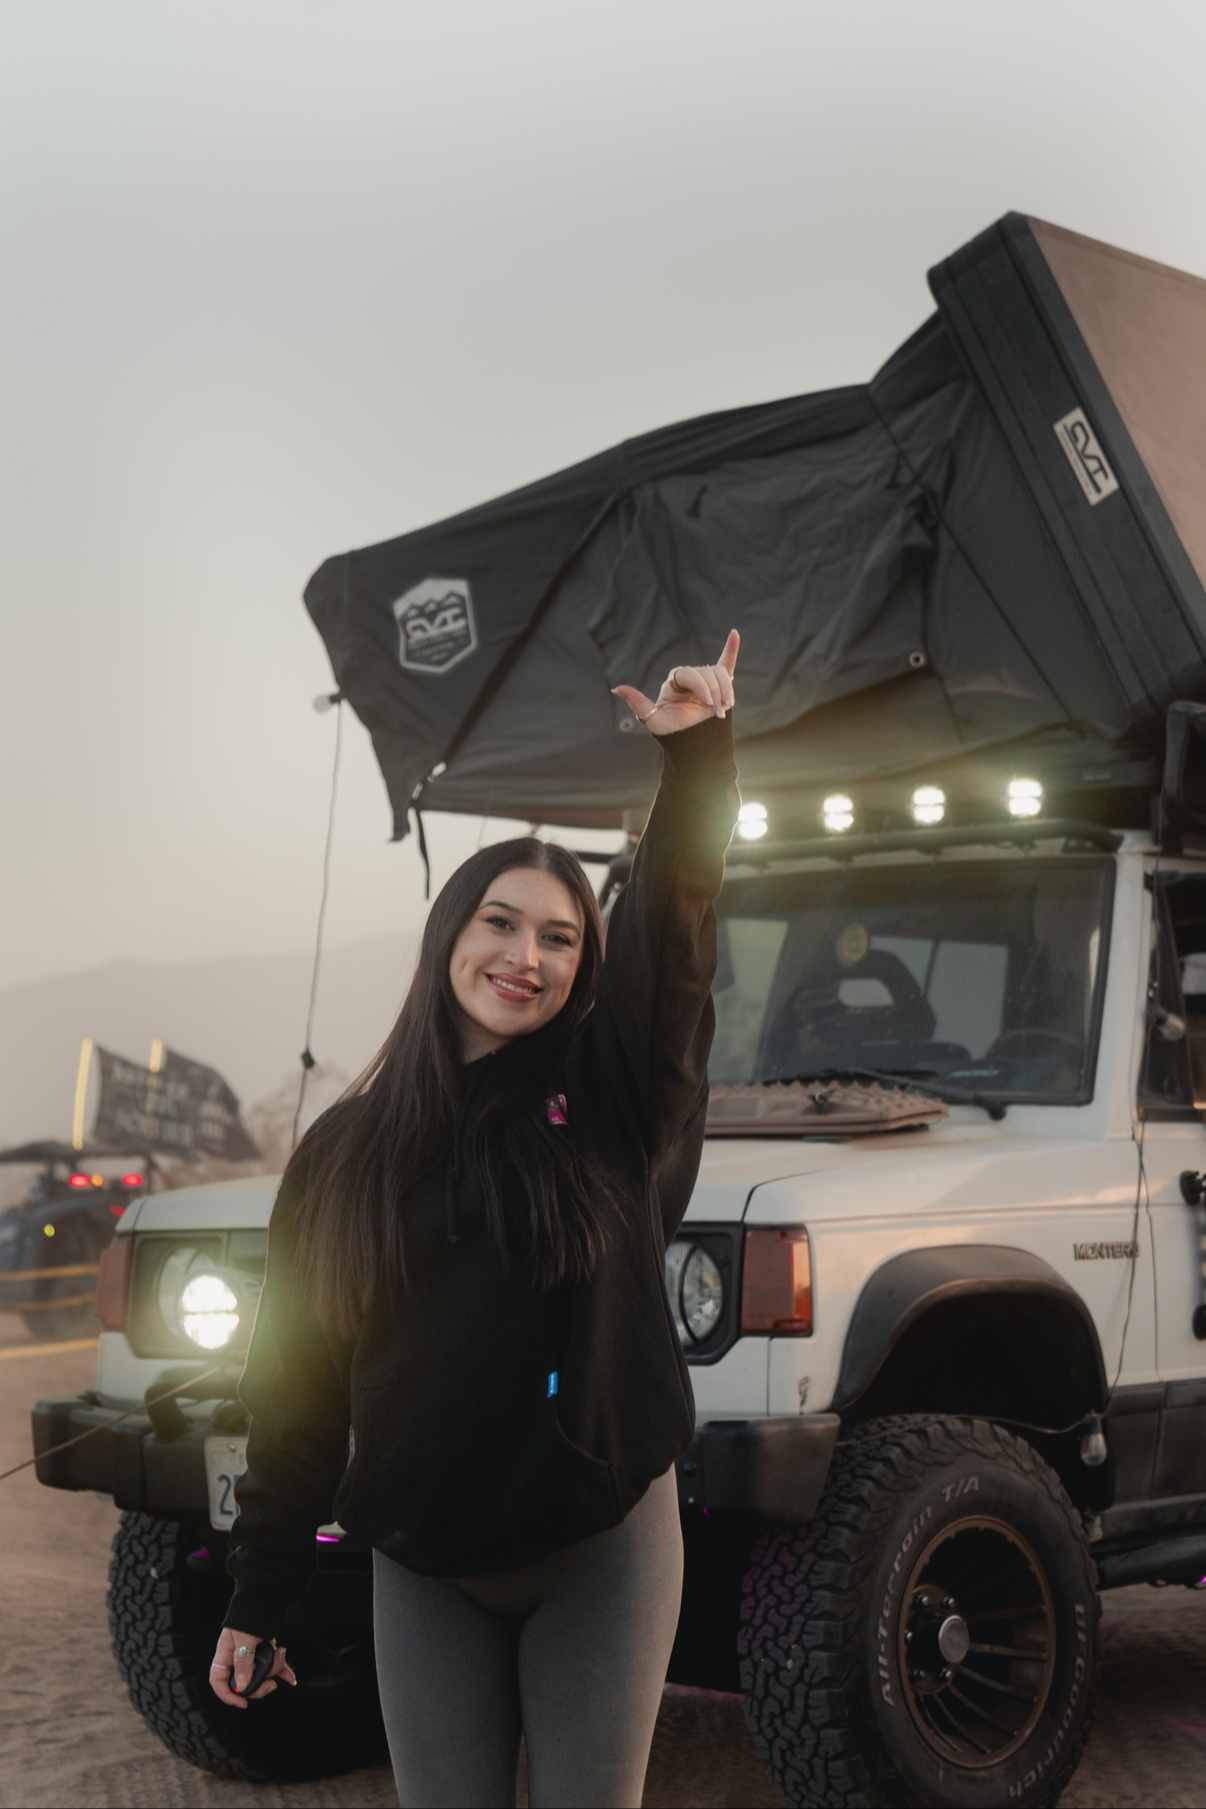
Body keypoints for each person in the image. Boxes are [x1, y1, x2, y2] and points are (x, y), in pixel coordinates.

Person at [209, 631, 742, 1808]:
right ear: (450, 932)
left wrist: (698, 765)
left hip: (598, 1542)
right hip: (425, 1564)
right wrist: (261, 1592)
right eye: (501, 922)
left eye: (559, 939)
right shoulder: (342, 1156)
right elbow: (292, 1391)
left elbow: (674, 938)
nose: (525, 957)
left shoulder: (609, 1105)